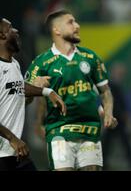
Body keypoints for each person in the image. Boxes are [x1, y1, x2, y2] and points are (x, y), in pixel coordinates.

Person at [25, 10, 116, 171]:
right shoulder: (41, 63)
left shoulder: (90, 57)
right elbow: (25, 99)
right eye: (71, 22)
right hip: (59, 131)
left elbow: (105, 91)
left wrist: (108, 112)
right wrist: (36, 89)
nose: (77, 26)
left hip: (89, 130)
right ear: (56, 30)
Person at [0, 17, 66, 171]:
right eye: (10, 28)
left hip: (15, 152)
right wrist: (13, 139)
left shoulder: (14, 64)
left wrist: (44, 91)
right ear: (1, 35)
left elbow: (17, 94)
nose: (16, 31)